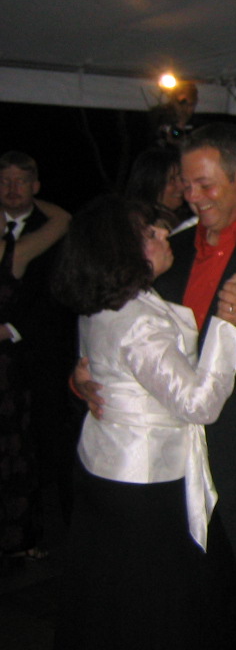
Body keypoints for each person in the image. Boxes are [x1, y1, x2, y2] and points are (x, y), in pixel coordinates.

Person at [75, 124, 236, 650]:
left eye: (204, 184)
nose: (191, 196)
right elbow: (117, 313)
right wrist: (86, 374)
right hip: (177, 469)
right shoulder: (169, 247)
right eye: (186, 184)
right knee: (203, 609)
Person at [53, 196, 236, 650]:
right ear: (121, 251)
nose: (165, 234)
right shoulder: (140, 319)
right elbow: (199, 405)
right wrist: (229, 329)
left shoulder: (102, 303)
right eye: (150, 233)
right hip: (145, 480)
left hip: (105, 465)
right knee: (156, 600)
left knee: (111, 594)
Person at [1, 151, 77, 538]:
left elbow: (58, 292)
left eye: (20, 181)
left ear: (35, 186)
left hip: (39, 352)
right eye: (5, 181)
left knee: (46, 440)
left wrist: (13, 328)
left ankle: (55, 530)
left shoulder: (52, 228)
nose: (12, 189)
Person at [125, 146, 188, 228]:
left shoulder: (182, 218)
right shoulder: (143, 224)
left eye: (182, 178)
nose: (182, 186)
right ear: (151, 182)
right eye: (171, 179)